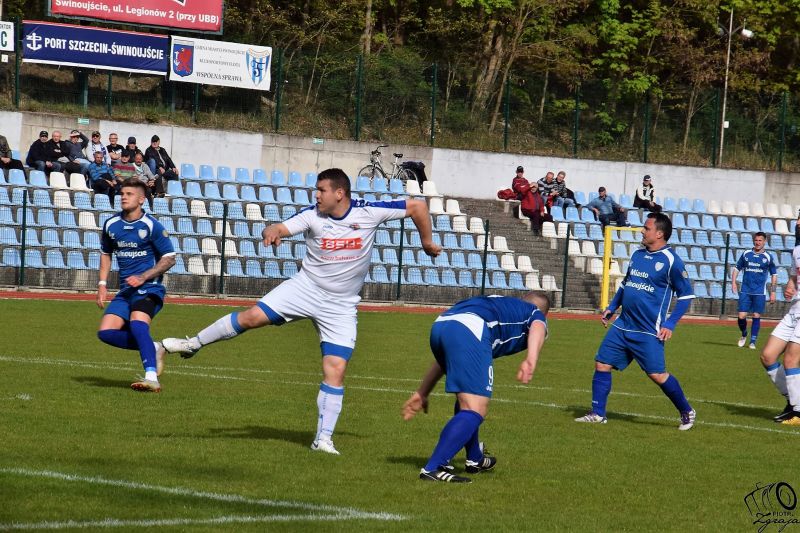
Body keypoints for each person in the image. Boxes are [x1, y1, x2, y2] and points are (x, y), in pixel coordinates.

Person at [161, 168, 442, 454]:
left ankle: (323, 440)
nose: (316, 195)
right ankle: (193, 343)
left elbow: (418, 206)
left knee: (336, 369)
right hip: (305, 289)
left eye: (321, 190)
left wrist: (426, 242)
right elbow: (280, 228)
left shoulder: (368, 212)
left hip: (341, 305)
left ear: (339, 193)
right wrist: (272, 231)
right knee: (251, 317)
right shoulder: (312, 216)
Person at [402, 292, 550, 483]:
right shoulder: (533, 312)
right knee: (475, 408)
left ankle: (475, 458)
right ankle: (434, 468)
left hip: (442, 324)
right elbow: (538, 325)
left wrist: (423, 392)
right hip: (471, 328)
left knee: (468, 401)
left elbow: (448, 356)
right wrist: (531, 359)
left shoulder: (504, 304)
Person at [575, 212, 697, 430]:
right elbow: (626, 284)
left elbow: (686, 295)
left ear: (659, 234)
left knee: (657, 375)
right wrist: (612, 307)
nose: (642, 231)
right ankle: (598, 413)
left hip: (648, 329)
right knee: (602, 363)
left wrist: (670, 324)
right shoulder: (638, 255)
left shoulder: (672, 261)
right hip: (623, 324)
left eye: (647, 228)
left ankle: (686, 410)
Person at [96, 178, 176, 393]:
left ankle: (151, 378)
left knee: (138, 325)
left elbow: (169, 258)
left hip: (149, 287)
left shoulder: (152, 225)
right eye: (122, 193)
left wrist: (143, 276)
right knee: (105, 333)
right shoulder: (111, 224)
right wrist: (102, 284)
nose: (123, 197)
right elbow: (106, 253)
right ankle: (155, 347)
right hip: (126, 290)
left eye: (129, 194)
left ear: (141, 200)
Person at [759, 243, 800, 425]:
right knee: (768, 356)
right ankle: (793, 401)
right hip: (794, 311)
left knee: (791, 359)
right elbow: (794, 278)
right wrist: (790, 287)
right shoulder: (797, 251)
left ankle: (798, 412)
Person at [731, 232, 777, 349]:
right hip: (745, 290)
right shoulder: (746, 254)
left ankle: (752, 342)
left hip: (759, 292)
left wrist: (773, 291)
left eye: (760, 240)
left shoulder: (768, 257)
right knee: (741, 316)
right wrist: (733, 282)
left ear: (764, 241)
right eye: (756, 240)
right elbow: (736, 268)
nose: (757, 242)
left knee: (756, 315)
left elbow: (774, 275)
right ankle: (744, 333)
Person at [512, 167, 552, 236]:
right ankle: (536, 230)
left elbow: (541, 204)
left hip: (535, 211)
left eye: (535, 187)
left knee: (549, 216)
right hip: (527, 210)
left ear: (537, 188)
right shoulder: (526, 192)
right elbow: (522, 190)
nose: (533, 188)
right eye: (532, 187)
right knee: (536, 214)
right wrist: (529, 186)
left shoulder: (538, 195)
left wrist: (542, 211)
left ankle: (547, 230)